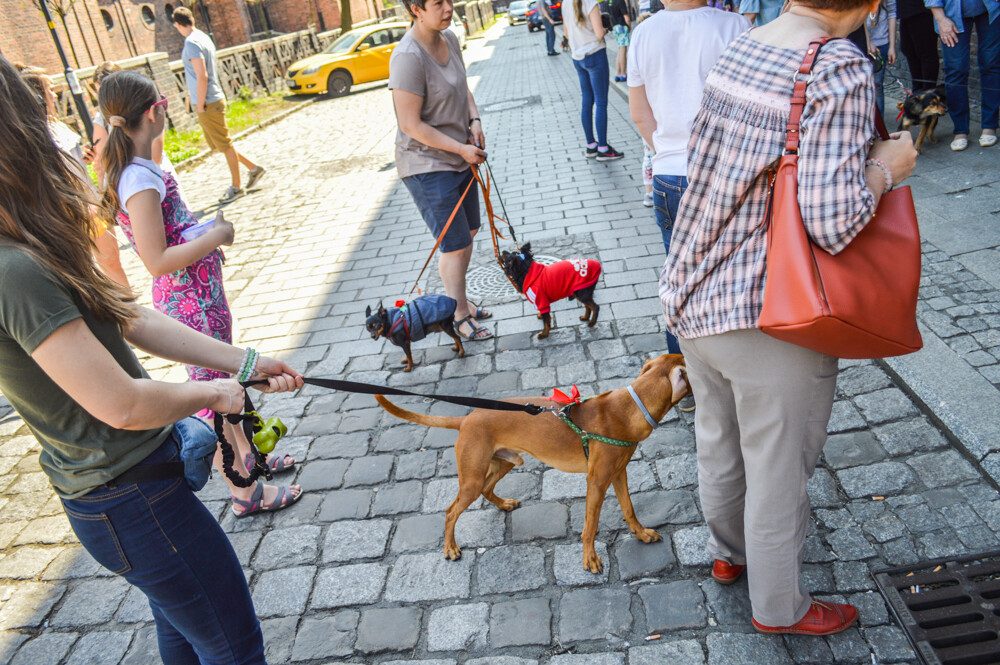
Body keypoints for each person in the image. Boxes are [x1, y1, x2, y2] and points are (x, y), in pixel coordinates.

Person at [0, 55, 304, 664]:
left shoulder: (34, 244)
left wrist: (244, 363)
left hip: (136, 490)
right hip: (128, 498)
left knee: (189, 635)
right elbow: (123, 404)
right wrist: (216, 393)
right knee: (234, 649)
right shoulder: (16, 269)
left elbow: (130, 316)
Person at [659, 0, 917, 636]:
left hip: (693, 287)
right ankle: (780, 608)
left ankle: (730, 553)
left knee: (718, 439)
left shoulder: (746, 43)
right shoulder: (837, 67)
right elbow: (832, 220)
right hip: (767, 310)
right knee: (776, 467)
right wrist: (886, 167)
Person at [98, 70, 302, 516]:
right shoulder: (138, 179)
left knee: (228, 384)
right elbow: (156, 259)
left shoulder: (140, 168)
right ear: (155, 112)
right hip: (190, 300)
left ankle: (252, 459)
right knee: (216, 397)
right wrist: (217, 236)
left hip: (200, 295)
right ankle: (243, 490)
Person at [628, 0, 748, 357]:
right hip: (726, 172)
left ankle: (681, 372)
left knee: (678, 278)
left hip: (670, 172)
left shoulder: (643, 33)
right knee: (731, 276)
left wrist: (666, 150)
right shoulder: (735, 27)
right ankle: (731, 367)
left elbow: (639, 114)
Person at [389, 0, 495, 342]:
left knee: (469, 232)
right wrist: (461, 148)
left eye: (449, 0)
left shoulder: (448, 38)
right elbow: (410, 125)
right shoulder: (407, 57)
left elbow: (463, 88)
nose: (448, 7)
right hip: (426, 163)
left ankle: (459, 300)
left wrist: (474, 120)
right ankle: (458, 312)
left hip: (459, 154)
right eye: (438, 3)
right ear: (416, 9)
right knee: (455, 244)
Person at [16, 64, 129, 288]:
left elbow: (70, 160)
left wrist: (85, 154)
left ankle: (128, 303)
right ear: (37, 95)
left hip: (91, 202)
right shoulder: (36, 131)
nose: (54, 94)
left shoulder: (56, 123)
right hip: (75, 209)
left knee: (111, 259)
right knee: (90, 267)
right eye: (49, 89)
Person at [171, 7, 266, 202]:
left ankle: (237, 187)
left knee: (225, 144)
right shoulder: (203, 37)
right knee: (218, 144)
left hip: (207, 101)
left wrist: (199, 104)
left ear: (178, 25)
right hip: (210, 99)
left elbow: (202, 76)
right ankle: (253, 168)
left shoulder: (191, 42)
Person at [923, 0, 999, 149]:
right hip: (951, 13)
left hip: (990, 9)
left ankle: (990, 125)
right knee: (955, 70)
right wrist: (940, 19)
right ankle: (960, 130)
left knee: (991, 65)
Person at [565, 0, 626, 160]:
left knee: (587, 101)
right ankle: (603, 148)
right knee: (601, 102)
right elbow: (599, 33)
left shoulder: (565, 3)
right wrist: (605, 28)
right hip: (595, 54)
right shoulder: (590, 2)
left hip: (578, 58)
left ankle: (591, 145)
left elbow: (567, 33)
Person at [897, 0, 939, 90]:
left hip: (922, 10)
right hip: (906, 11)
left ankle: (927, 93)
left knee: (926, 54)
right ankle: (917, 91)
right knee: (909, 51)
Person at [865, 0, 897, 116]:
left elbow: (892, 14)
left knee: (877, 85)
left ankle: (880, 123)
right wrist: (868, 41)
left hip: (882, 42)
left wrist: (892, 46)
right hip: (863, 42)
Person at [610, 0, 632, 81]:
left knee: (619, 50)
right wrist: (629, 27)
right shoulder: (620, 1)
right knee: (623, 50)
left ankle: (618, 73)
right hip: (622, 26)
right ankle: (623, 74)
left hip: (615, 27)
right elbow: (626, 17)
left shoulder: (609, 1)